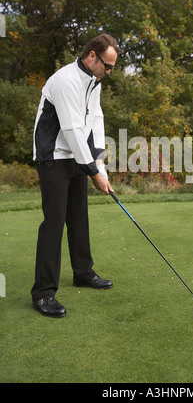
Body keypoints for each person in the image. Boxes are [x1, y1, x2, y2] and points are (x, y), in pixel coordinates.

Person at [31, 34, 120, 318]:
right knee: (54, 223)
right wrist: (93, 172)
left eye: (112, 67)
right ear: (92, 56)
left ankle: (83, 272)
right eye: (107, 65)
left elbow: (95, 120)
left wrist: (99, 164)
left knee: (79, 217)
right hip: (53, 156)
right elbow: (70, 129)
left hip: (75, 156)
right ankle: (43, 293)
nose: (109, 71)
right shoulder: (65, 80)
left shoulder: (95, 82)